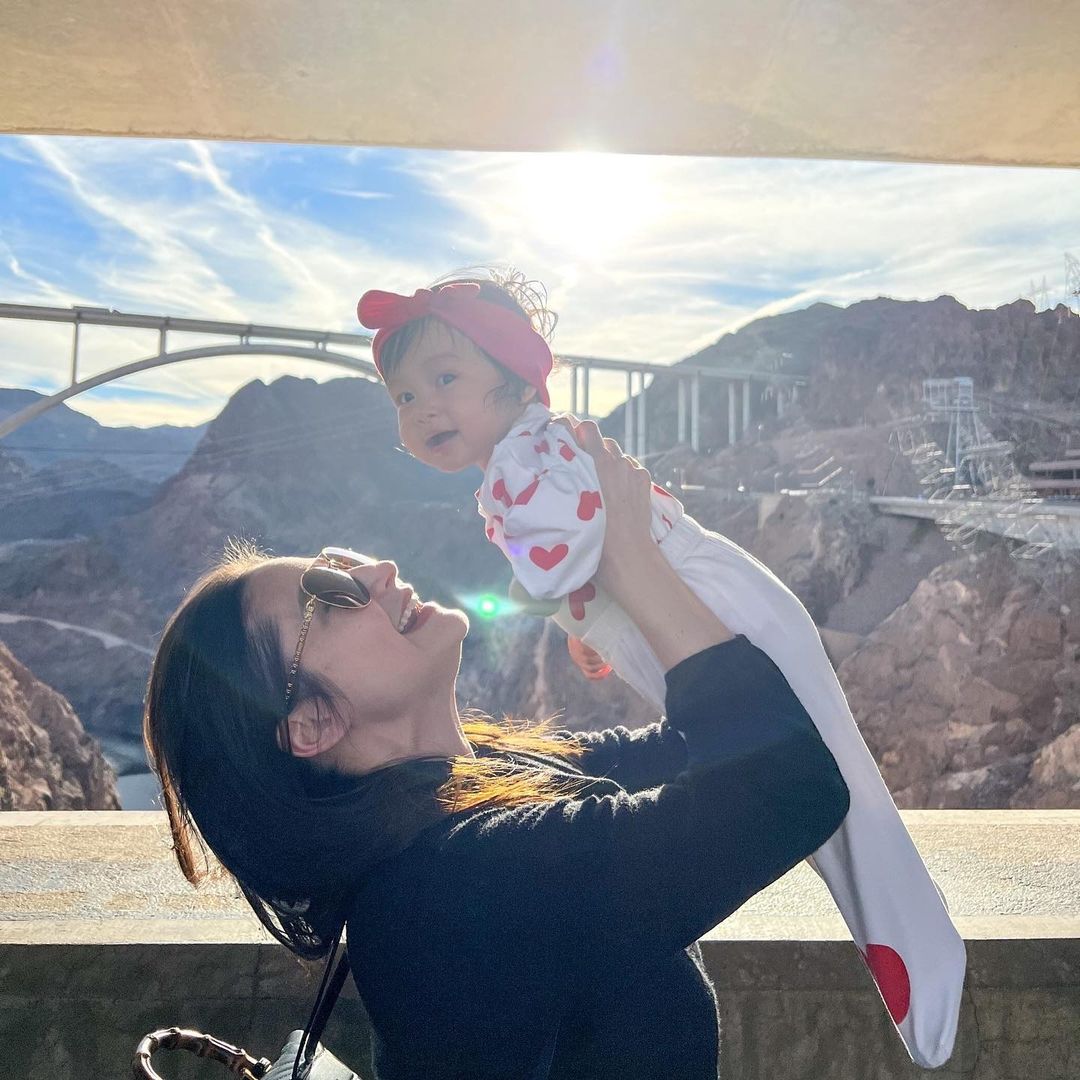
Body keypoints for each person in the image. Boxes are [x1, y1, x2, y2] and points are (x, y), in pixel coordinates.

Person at [356, 271, 967, 1069]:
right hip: (670, 610)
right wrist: (588, 622)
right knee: (838, 802)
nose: (423, 408)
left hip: (709, 604)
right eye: (404, 396)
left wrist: (569, 600)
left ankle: (922, 967)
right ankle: (909, 958)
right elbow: (591, 553)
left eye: (445, 379)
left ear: (515, 379)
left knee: (837, 788)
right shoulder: (520, 458)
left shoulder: (529, 455)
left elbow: (578, 544)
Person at [144, 421, 849, 1080]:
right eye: (331, 594)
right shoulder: (456, 889)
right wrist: (633, 564)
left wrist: (613, 602)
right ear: (311, 724)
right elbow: (788, 785)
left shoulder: (479, 774)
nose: (378, 570)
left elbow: (704, 745)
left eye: (341, 561)